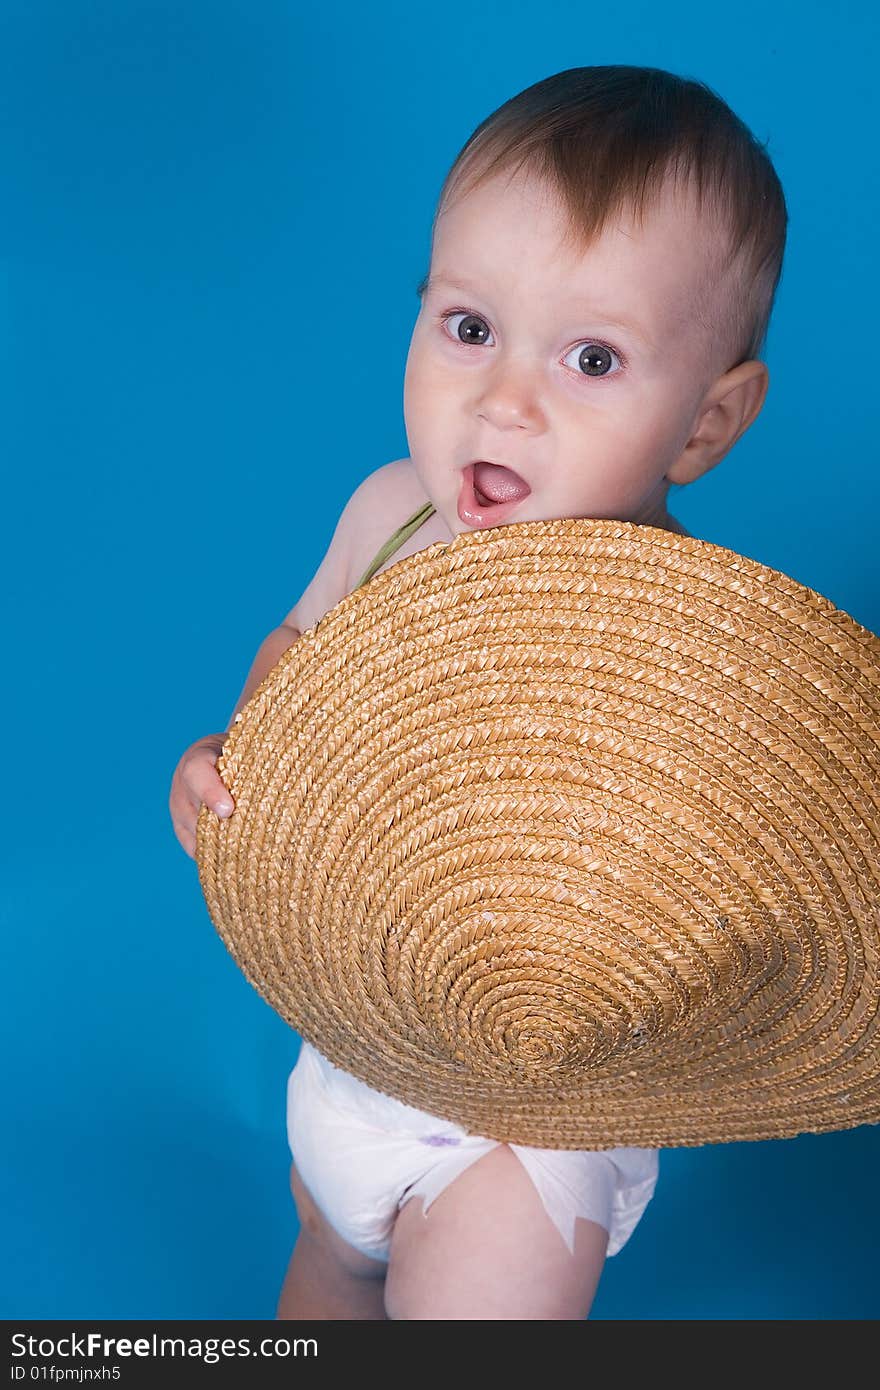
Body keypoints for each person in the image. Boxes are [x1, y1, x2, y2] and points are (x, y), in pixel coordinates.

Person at [169, 64, 786, 1319]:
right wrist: (237, 761)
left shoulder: (681, 620)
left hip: (528, 1109)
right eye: (467, 328)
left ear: (704, 427)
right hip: (359, 1035)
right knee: (329, 1267)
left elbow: (723, 858)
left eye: (592, 357)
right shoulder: (390, 512)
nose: (502, 399)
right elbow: (299, 648)